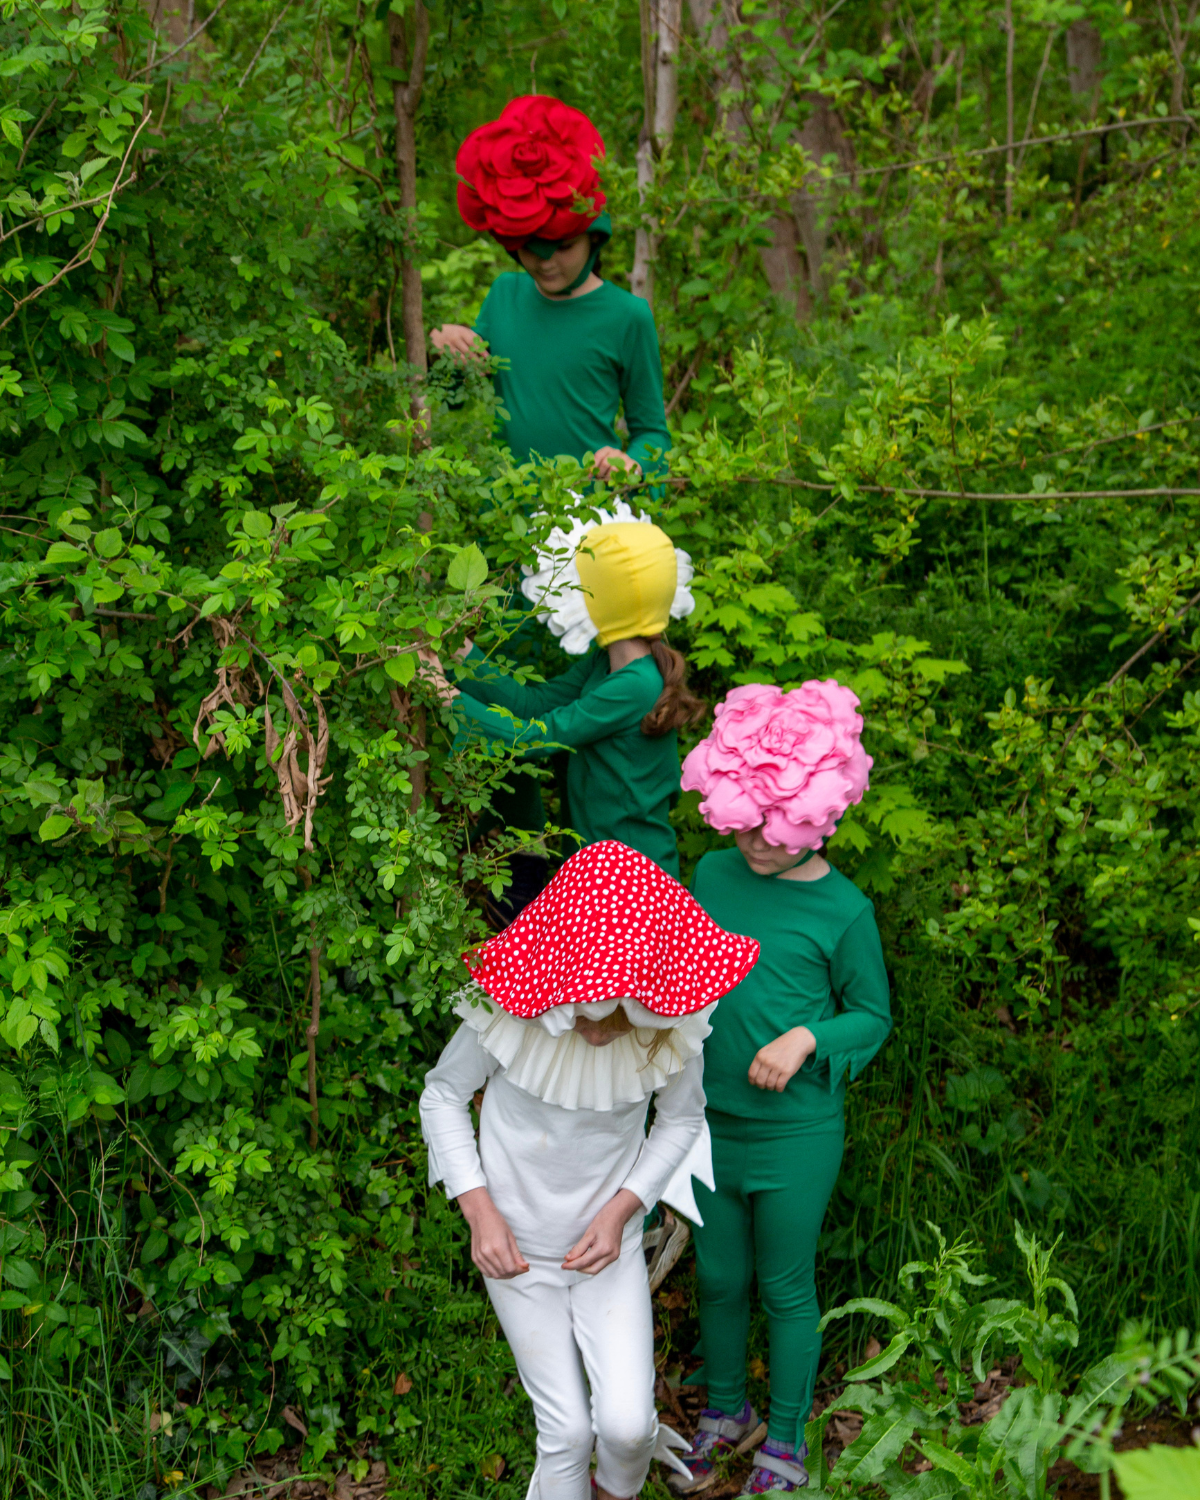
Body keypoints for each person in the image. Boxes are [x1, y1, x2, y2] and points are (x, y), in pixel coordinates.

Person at [419, 840, 761, 1500]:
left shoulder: (673, 1024)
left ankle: (615, 1493)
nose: (600, 1033)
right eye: (586, 1012)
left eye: (620, 1015)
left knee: (629, 1427)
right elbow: (442, 1094)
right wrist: (479, 1210)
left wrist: (622, 1210)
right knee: (568, 1433)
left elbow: (683, 1121)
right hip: (518, 1255)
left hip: (609, 1252)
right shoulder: (510, 1005)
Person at [670, 682, 893, 1495]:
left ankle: (789, 1441)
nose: (758, 846)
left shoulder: (844, 909)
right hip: (707, 1118)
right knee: (720, 1276)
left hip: (795, 1130)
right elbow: (684, 971)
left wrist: (807, 1037)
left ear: (819, 818)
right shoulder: (713, 872)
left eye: (775, 831)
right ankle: (726, 1411)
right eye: (747, 827)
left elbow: (872, 1015)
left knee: (783, 1282)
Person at [430, 518, 703, 881]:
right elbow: (532, 704)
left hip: (627, 881)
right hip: (596, 870)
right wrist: (459, 651)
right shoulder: (609, 665)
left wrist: (443, 693)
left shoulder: (634, 686)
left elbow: (531, 739)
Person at [430, 94, 671, 482]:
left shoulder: (628, 316)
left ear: (594, 238)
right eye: (530, 248)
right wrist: (445, 349)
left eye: (563, 247)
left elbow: (653, 433)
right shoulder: (504, 296)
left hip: (587, 516)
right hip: (506, 515)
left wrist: (635, 464)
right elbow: (453, 401)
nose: (546, 262)